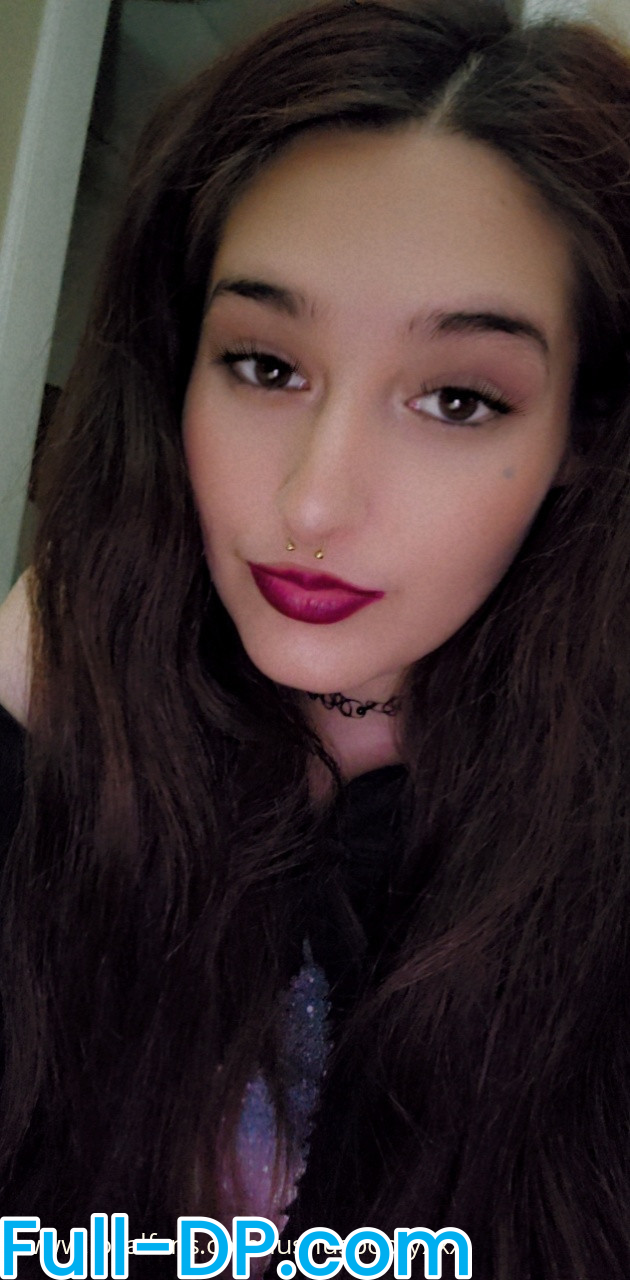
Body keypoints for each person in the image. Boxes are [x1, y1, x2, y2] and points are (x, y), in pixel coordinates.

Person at [0, 0, 629, 1274]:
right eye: (265, 365)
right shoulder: (58, 710)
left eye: (459, 398)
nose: (315, 503)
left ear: (582, 435)